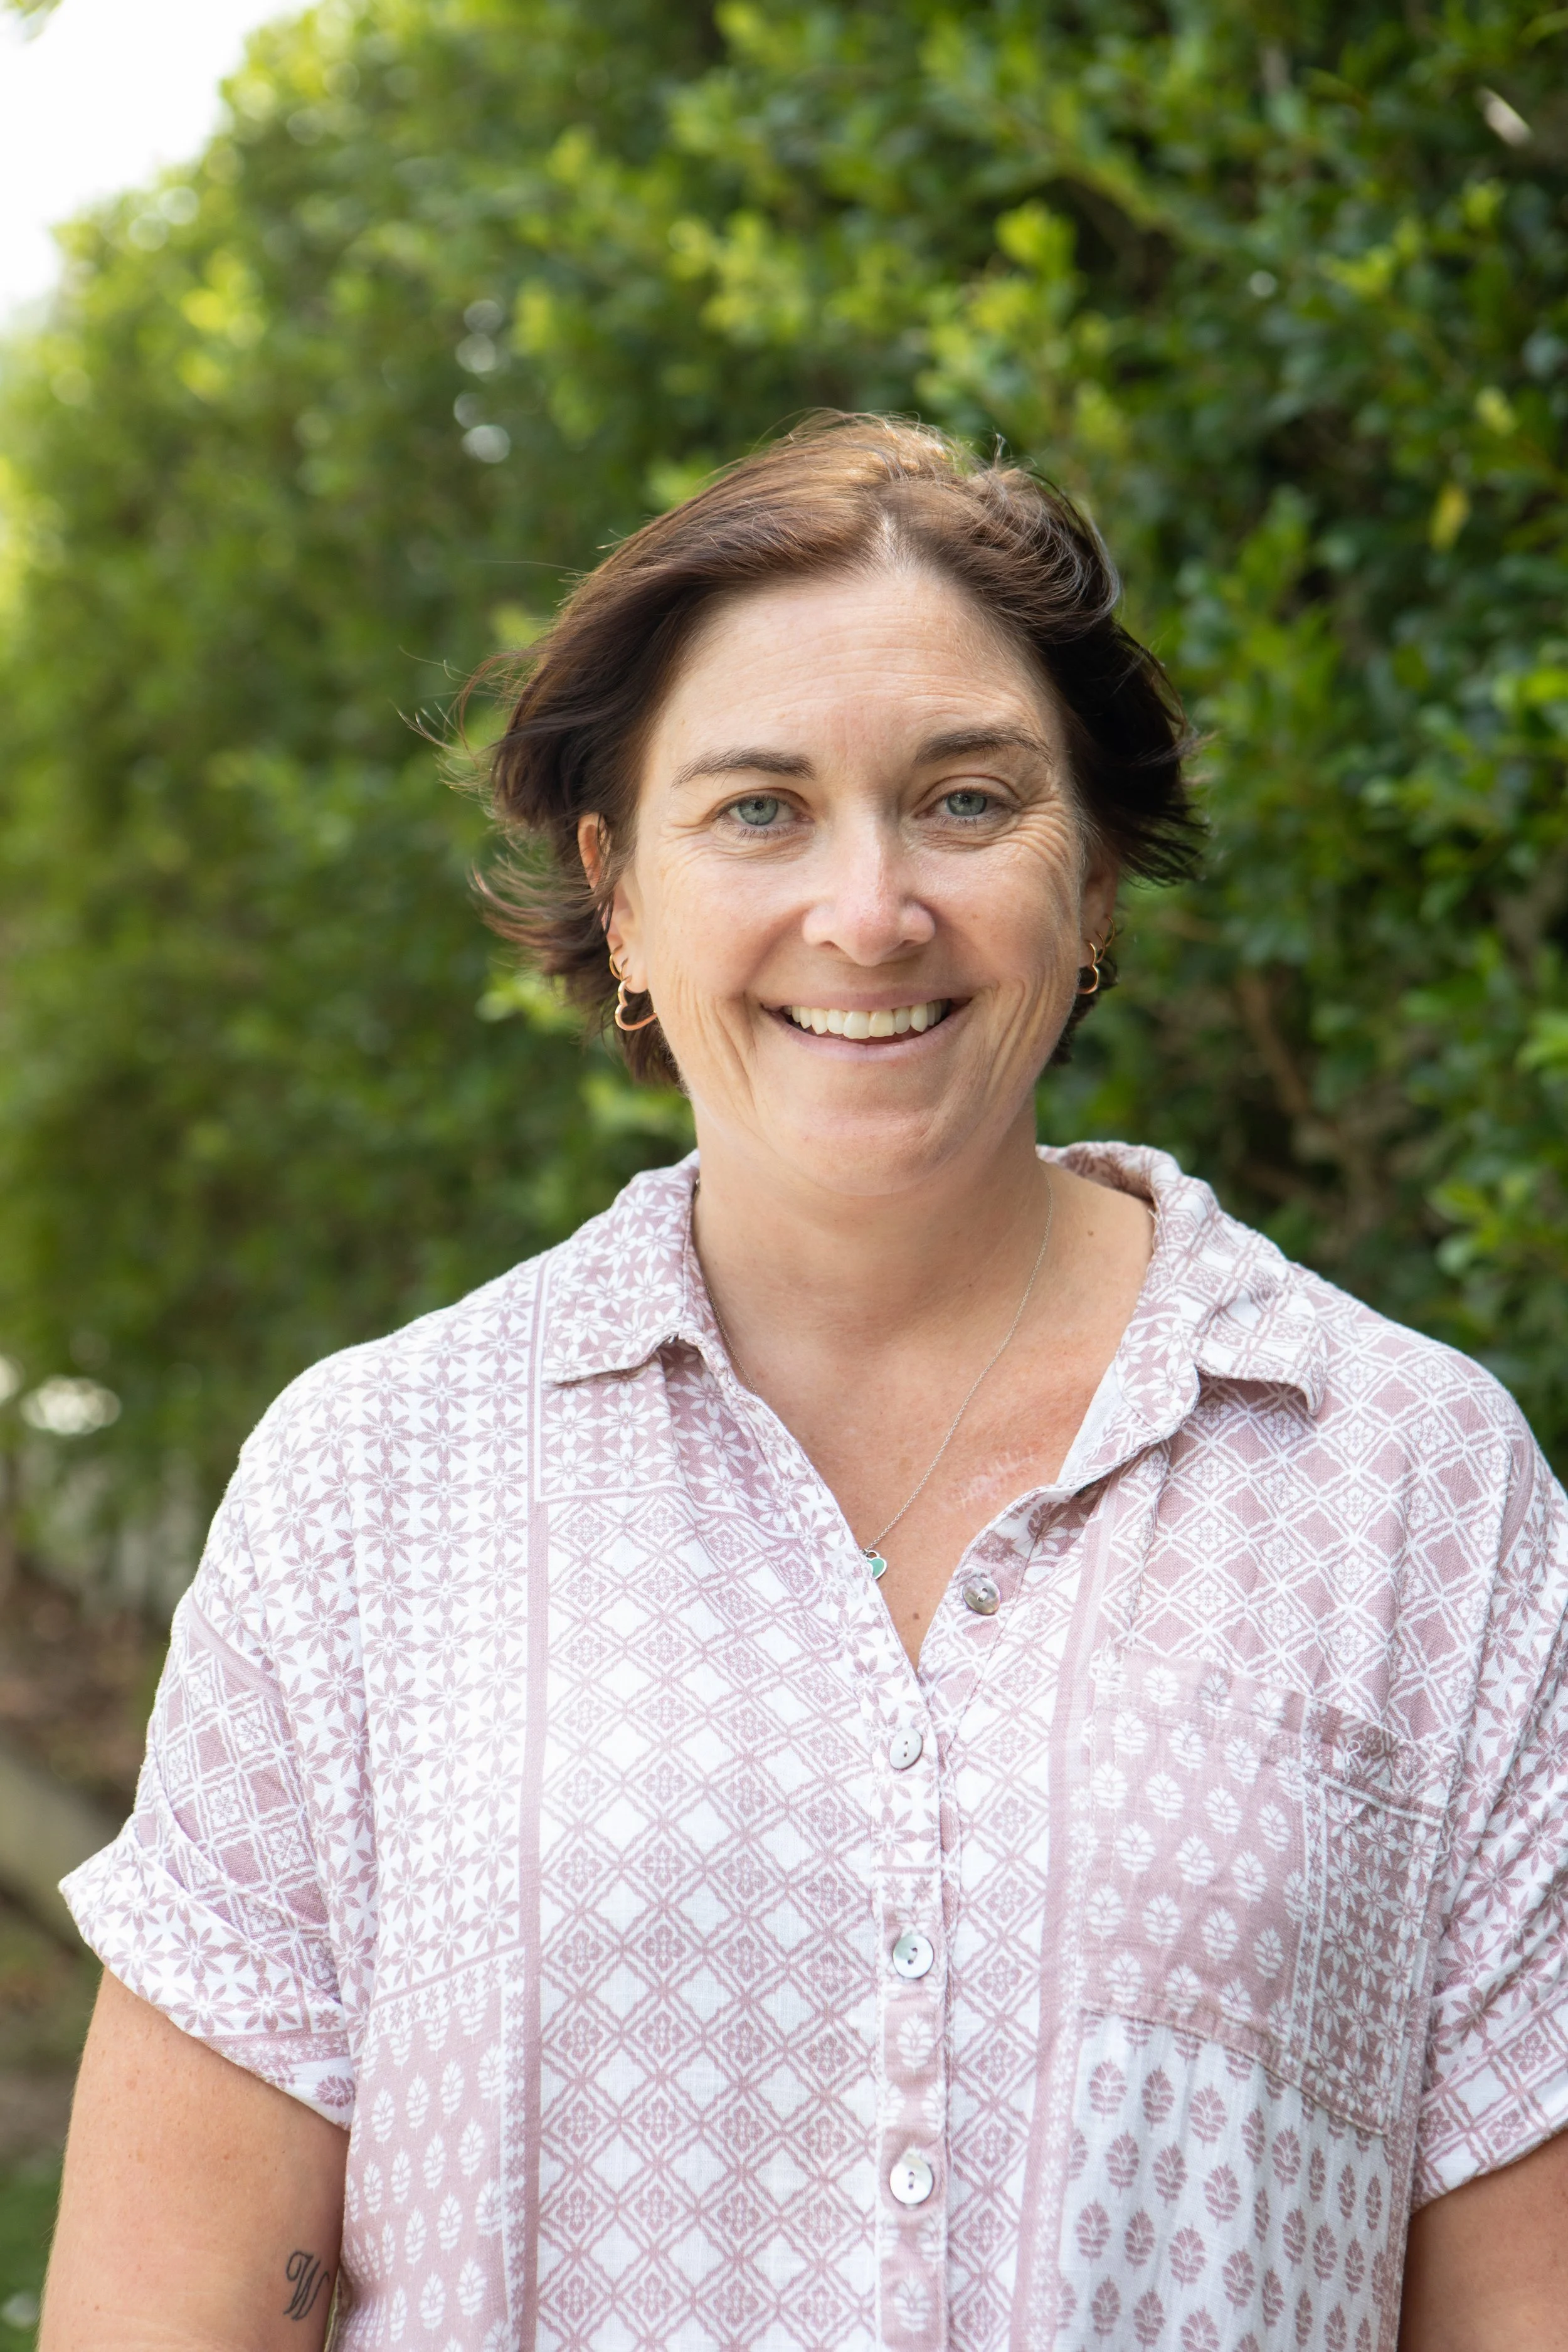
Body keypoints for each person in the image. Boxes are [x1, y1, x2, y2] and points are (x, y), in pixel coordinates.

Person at [41, 416, 1568, 2352]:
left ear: (1093, 888)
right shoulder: (367, 1493)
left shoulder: (1416, 1493)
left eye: (963, 799)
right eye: (757, 809)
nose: (867, 911)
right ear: (620, 900)